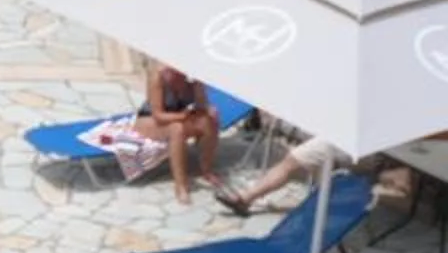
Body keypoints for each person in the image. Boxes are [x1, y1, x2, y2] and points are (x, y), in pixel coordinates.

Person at [137, 63, 220, 203]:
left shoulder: (192, 80)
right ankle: (180, 185)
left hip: (177, 118)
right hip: (149, 121)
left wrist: (207, 107)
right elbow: (158, 115)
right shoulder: (158, 77)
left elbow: (201, 106)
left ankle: (206, 170)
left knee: (208, 122)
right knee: (177, 129)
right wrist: (183, 116)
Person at [216, 134, 348, 216]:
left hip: (344, 138)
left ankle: (245, 200)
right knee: (299, 164)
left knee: (291, 162)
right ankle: (244, 199)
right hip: (355, 139)